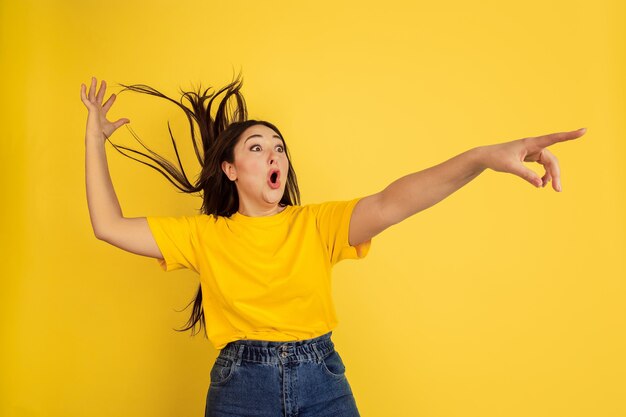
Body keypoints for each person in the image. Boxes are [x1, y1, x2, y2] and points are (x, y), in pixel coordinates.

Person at [81, 74, 586, 417]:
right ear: (230, 170)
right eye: (256, 148)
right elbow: (108, 225)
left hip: (321, 378)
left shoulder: (316, 224)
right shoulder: (203, 234)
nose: (273, 153)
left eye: (278, 147)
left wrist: (482, 157)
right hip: (241, 386)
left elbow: (396, 200)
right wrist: (94, 140)